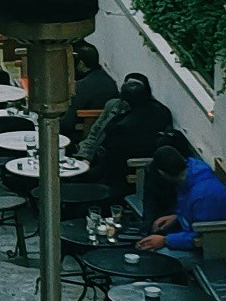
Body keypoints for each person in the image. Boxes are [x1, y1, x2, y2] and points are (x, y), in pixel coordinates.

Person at [62, 72, 172, 210]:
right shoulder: (114, 107)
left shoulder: (126, 125)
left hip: (116, 163)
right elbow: (95, 132)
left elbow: (113, 156)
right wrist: (85, 155)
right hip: (99, 153)